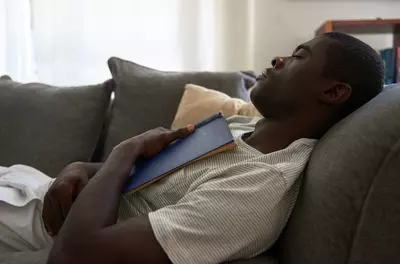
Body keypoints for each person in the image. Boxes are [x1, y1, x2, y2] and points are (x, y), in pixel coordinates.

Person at [0, 32, 384, 264]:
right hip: (31, 186)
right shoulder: (239, 129)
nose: (278, 59)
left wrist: (123, 152)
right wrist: (77, 167)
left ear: (333, 92)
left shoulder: (256, 189)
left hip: (33, 222)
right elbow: (125, 173)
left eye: (299, 56)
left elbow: (77, 255)